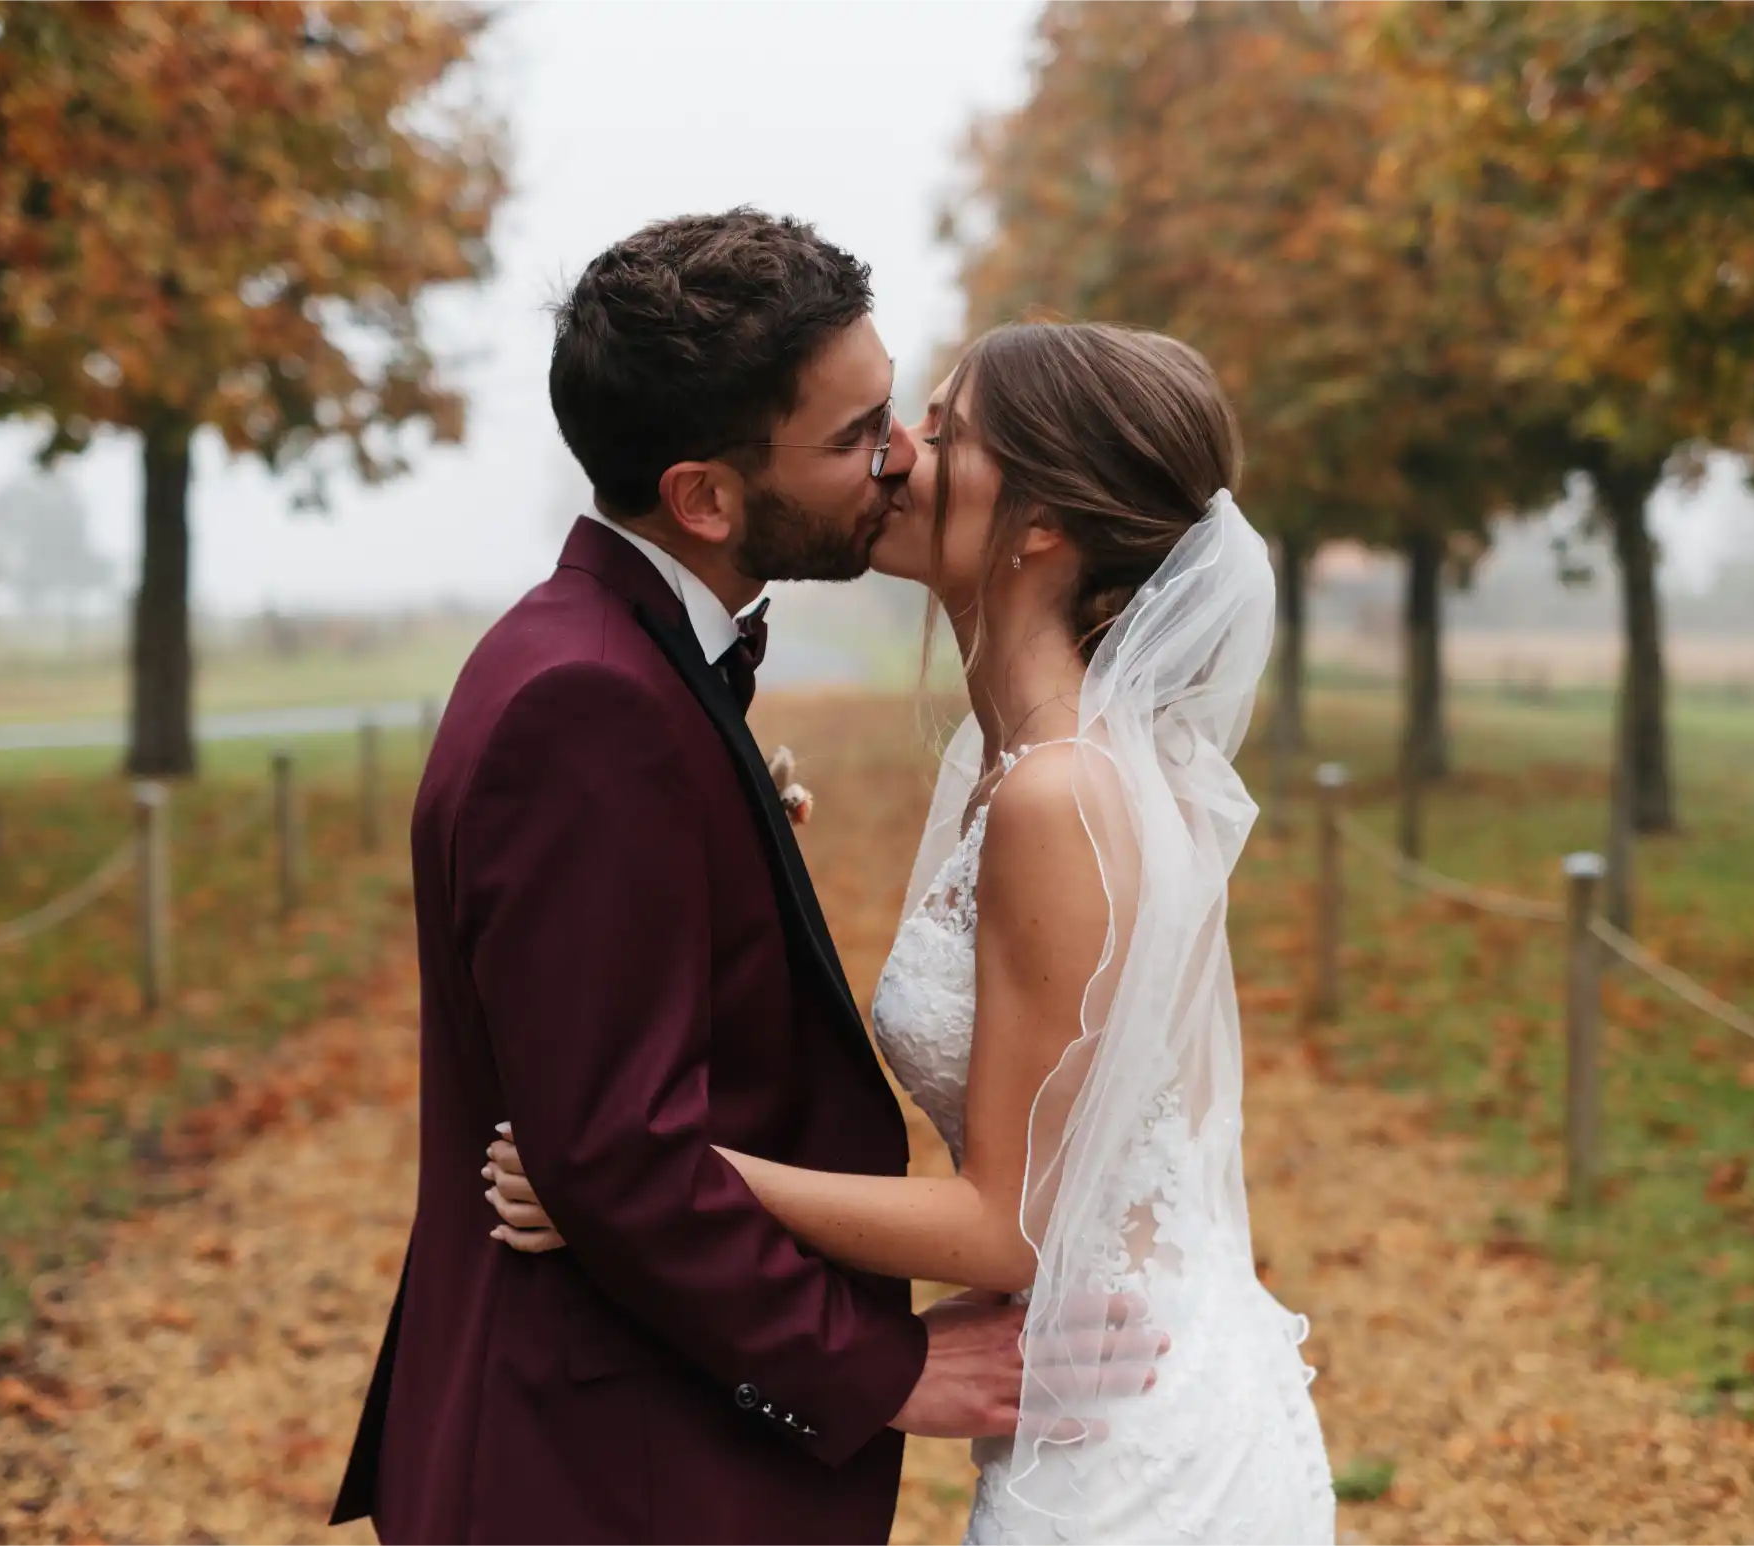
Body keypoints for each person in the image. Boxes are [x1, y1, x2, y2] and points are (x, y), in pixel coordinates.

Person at [487, 320, 1338, 1543]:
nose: (893, 449)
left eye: (943, 431)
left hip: (1135, 1437)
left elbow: (1007, 1224)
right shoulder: (1023, 759)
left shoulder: (1058, 793)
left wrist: (639, 1181)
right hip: (1090, 1388)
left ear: (1040, 524)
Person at [329, 209, 1062, 1546]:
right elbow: (613, 1155)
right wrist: (880, 1367)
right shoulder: (588, 707)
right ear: (705, 498)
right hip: (605, 1472)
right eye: (854, 434)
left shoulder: (602, 656)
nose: (899, 456)